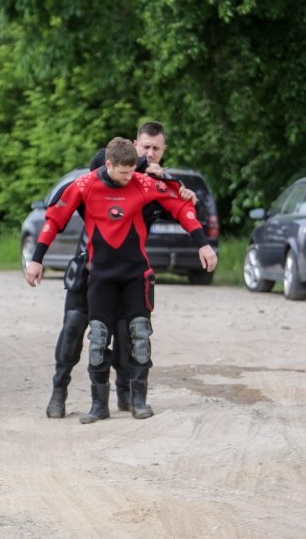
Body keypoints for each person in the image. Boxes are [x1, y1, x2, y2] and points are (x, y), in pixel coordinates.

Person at [26, 138, 217, 424]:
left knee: (139, 336)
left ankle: (138, 400)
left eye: (132, 171)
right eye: (123, 172)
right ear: (108, 164)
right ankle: (96, 404)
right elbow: (54, 218)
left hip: (134, 274)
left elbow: (180, 207)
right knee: (97, 337)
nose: (129, 178)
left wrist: (202, 243)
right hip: (98, 274)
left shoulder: (142, 182)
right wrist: (37, 258)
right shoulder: (85, 184)